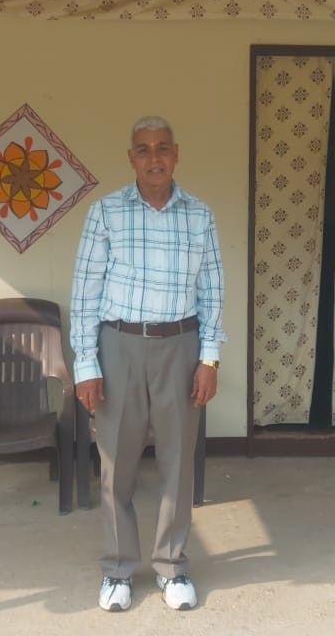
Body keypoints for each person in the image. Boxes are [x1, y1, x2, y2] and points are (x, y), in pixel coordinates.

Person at [69, 115, 225, 612]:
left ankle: (172, 567)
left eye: (162, 148)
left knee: (178, 464)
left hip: (180, 344)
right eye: (143, 149)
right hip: (119, 347)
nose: (153, 157)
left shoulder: (199, 215)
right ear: (131, 157)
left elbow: (213, 292)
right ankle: (118, 569)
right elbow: (85, 292)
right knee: (116, 463)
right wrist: (86, 364)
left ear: (176, 154)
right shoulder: (106, 212)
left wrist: (210, 359)